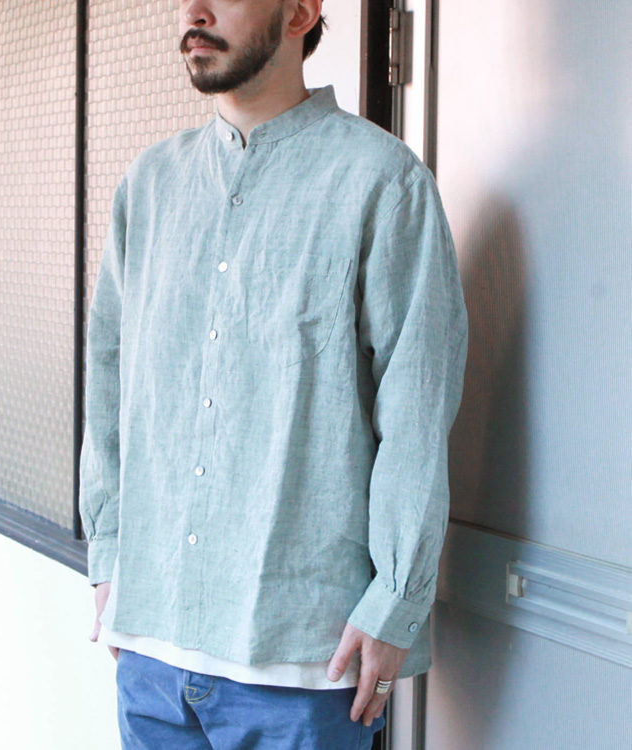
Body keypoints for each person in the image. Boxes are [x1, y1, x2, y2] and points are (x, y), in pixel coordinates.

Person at [79, 0, 468, 747]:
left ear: (300, 12)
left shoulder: (382, 182)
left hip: (302, 667)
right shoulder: (150, 185)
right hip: (150, 647)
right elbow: (109, 376)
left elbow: (417, 413)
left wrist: (395, 603)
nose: (193, 11)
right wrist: (108, 555)